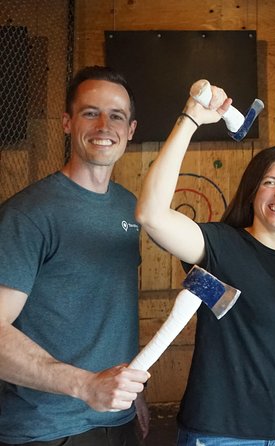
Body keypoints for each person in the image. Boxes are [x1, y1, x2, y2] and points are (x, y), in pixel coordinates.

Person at [134, 81, 275, 445]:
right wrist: (190, 118)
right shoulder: (219, 245)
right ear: (252, 191)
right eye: (270, 182)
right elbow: (151, 214)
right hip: (219, 435)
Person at [0, 66, 150, 445]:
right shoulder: (28, 214)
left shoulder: (130, 208)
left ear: (130, 130)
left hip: (117, 421)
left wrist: (132, 391)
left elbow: (112, 311)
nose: (104, 125)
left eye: (116, 115)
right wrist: (86, 386)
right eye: (90, 112)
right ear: (67, 123)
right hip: (46, 430)